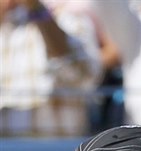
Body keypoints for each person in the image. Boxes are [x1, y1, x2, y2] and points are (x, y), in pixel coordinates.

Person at [0, 0, 102, 137]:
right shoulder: (6, 25)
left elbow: (85, 76)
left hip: (59, 147)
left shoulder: (69, 17)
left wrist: (36, 10)